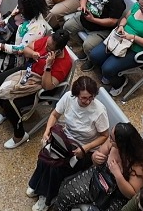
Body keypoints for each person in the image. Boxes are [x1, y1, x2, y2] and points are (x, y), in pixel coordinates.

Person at [27, 76, 110, 211]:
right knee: (45, 154)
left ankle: (47, 197)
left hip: (85, 149)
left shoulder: (99, 111)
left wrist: (85, 148)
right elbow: (54, 115)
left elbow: (105, 136)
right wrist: (47, 131)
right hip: (66, 139)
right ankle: (37, 184)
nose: (87, 101)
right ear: (76, 95)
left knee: (56, 166)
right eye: (83, 98)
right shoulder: (68, 97)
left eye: (91, 97)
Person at [0, 31, 74, 149]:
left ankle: (19, 135)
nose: (46, 48)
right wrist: (33, 53)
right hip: (29, 71)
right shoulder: (48, 41)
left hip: (41, 85)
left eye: (49, 47)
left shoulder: (64, 63)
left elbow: (47, 86)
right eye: (47, 44)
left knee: (10, 102)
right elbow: (26, 50)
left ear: (58, 50)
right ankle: (6, 110)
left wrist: (48, 66)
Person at [52, 122, 143, 211]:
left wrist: (118, 174)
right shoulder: (112, 144)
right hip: (99, 177)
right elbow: (99, 154)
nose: (110, 140)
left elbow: (132, 195)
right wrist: (95, 157)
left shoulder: (139, 166)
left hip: (116, 195)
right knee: (66, 193)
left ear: (122, 144)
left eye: (112, 139)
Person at [86, 0, 143, 97]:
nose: (140, 7)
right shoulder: (136, 7)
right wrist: (121, 26)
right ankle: (110, 74)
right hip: (121, 39)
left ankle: (120, 82)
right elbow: (125, 18)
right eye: (139, 3)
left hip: (135, 49)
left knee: (108, 68)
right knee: (95, 55)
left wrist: (132, 37)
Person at [62, 0, 126, 56]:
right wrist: (83, 6)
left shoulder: (116, 0)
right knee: (67, 26)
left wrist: (93, 20)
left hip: (100, 29)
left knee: (88, 46)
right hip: (85, 18)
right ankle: (79, 45)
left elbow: (113, 21)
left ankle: (89, 58)